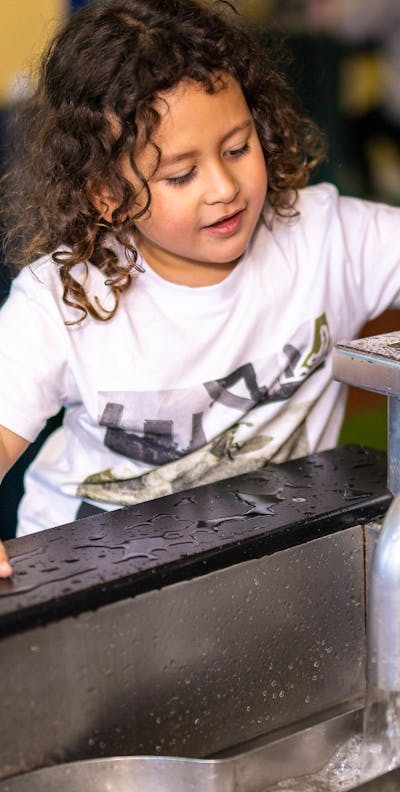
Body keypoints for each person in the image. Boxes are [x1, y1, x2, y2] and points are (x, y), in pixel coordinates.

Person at [1, 0, 400, 578]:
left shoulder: (326, 238)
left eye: (237, 148)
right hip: (85, 576)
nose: (223, 187)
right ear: (107, 194)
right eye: (181, 174)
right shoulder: (61, 299)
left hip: (274, 567)